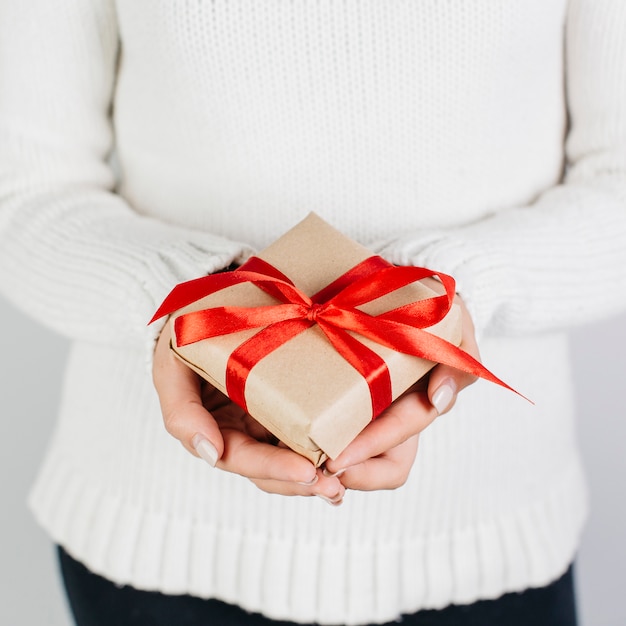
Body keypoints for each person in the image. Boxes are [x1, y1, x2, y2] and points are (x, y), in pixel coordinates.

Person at [1, 1, 625, 625]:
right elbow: (25, 193)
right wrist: (192, 305)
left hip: (489, 536)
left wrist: (452, 289)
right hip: (152, 543)